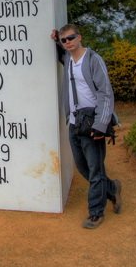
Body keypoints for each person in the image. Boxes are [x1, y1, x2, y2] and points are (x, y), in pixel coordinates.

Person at [52, 23, 122, 229]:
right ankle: (112, 187)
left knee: (95, 169)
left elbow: (105, 93)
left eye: (71, 38)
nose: (68, 42)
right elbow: (60, 53)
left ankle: (95, 212)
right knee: (83, 167)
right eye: (64, 40)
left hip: (92, 123)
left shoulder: (93, 60)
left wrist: (101, 125)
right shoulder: (67, 59)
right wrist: (55, 39)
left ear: (79, 37)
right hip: (74, 123)